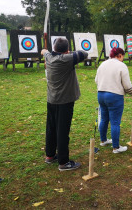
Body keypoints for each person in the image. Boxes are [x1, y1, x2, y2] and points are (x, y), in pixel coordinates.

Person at [42, 38, 88, 171]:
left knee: (51, 128)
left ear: (54, 48)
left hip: (51, 100)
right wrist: (67, 53)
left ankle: (50, 156)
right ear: (67, 50)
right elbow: (84, 53)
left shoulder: (49, 56)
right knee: (62, 131)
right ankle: (63, 162)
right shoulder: (66, 59)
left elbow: (44, 51)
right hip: (64, 102)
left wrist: (47, 52)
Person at [95, 47, 132, 154]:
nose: (123, 59)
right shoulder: (121, 65)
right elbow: (127, 84)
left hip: (101, 94)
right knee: (115, 122)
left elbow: (96, 80)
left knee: (104, 119)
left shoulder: (103, 64)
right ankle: (116, 147)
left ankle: (103, 140)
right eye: (123, 56)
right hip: (114, 97)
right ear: (119, 55)